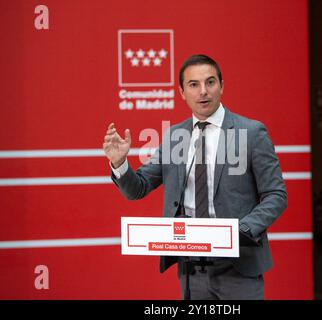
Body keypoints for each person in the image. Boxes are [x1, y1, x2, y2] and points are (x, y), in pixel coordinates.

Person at [103, 54, 287, 300]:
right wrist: (119, 162)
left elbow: (276, 196)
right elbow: (139, 188)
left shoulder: (251, 133)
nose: (203, 91)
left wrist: (239, 231)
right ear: (181, 92)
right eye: (194, 85)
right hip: (191, 269)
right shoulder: (173, 136)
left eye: (210, 82)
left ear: (221, 85)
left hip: (238, 266)